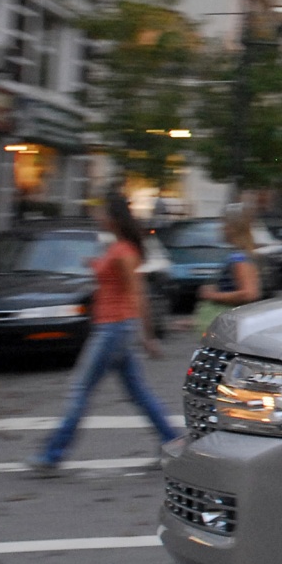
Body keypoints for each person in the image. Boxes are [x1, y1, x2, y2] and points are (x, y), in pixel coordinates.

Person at [28, 191, 178, 472]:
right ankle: (171, 442)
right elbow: (118, 283)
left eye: (102, 213)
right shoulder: (118, 248)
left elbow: (137, 295)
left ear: (114, 218)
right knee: (138, 393)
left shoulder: (124, 252)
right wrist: (95, 265)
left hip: (113, 329)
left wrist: (147, 336)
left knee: (81, 389)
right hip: (115, 328)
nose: (98, 217)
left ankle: (51, 455)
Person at [194, 206, 263, 332]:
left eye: (224, 224)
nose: (221, 228)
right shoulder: (241, 255)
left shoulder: (239, 258)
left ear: (233, 228)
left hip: (234, 326)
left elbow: (249, 294)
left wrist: (212, 295)